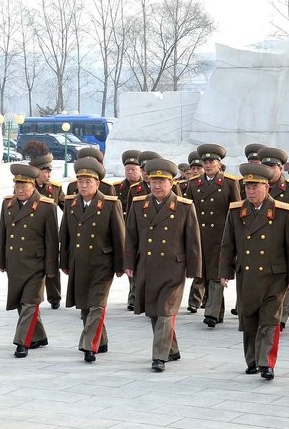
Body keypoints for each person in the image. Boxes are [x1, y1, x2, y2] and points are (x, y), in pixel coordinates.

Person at [220, 162, 289, 380]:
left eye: (255, 187)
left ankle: (267, 363)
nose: (251, 191)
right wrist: (224, 272)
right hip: (247, 275)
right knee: (249, 318)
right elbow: (228, 244)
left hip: (275, 276)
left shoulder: (283, 211)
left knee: (270, 320)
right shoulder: (236, 211)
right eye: (247, 187)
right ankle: (253, 360)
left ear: (267, 187)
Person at [125, 159, 202, 372]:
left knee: (166, 310)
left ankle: (159, 356)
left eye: (162, 182)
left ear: (171, 183)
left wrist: (194, 269)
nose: (157, 186)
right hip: (147, 266)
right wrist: (129, 263)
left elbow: (193, 240)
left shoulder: (184, 206)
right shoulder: (139, 205)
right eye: (154, 182)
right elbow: (131, 236)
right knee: (153, 311)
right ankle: (171, 349)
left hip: (173, 268)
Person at [60, 158, 124, 362]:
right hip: (79, 261)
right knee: (85, 306)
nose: (84, 185)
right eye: (80, 181)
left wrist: (121, 265)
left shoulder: (109, 204)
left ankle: (89, 345)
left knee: (97, 304)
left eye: (88, 181)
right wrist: (64, 262)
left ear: (98, 183)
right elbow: (65, 235)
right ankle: (101, 341)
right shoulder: (71, 204)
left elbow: (119, 237)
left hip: (102, 263)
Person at [0, 164, 58, 358]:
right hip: (15, 262)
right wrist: (0, 260)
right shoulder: (8, 204)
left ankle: (22, 342)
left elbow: (51, 240)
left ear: (33, 186)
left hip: (35, 265)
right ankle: (39, 336)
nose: (20, 190)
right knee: (20, 303)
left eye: (24, 186)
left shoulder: (46, 207)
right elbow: (3, 234)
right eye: (17, 186)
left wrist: (51, 268)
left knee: (30, 302)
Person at [184, 143, 240, 326]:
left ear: (219, 163)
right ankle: (218, 311)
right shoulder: (194, 183)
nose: (208, 165)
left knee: (216, 274)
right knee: (205, 274)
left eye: (212, 162)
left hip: (221, 236)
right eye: (205, 162)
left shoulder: (230, 182)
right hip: (200, 236)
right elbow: (187, 211)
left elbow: (236, 210)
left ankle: (212, 313)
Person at [257, 147, 289, 328]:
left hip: (285, 243)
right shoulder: (255, 187)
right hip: (259, 243)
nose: (270, 171)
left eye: (273, 167)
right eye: (266, 167)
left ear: (281, 168)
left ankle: (280, 317)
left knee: (283, 280)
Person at [29, 153, 64, 311]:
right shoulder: (27, 187)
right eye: (45, 172)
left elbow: (67, 207)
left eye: (50, 172)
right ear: (37, 171)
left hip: (50, 233)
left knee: (52, 263)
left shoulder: (55, 188)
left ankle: (54, 297)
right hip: (32, 234)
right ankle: (32, 295)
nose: (48, 175)